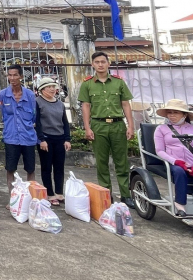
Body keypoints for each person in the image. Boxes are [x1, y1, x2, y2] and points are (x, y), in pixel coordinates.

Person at [79, 51, 136, 208]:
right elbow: (86, 106)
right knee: (102, 162)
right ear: (93, 65)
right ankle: (106, 195)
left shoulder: (119, 82)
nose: (100, 64)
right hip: (98, 126)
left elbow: (125, 104)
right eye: (97, 62)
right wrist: (87, 128)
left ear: (108, 63)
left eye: (103, 61)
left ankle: (126, 195)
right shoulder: (87, 84)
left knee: (121, 162)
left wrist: (130, 126)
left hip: (118, 125)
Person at [154, 99, 193, 218]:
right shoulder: (161, 129)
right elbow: (159, 151)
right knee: (179, 172)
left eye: (176, 112)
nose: (172, 115)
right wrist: (176, 161)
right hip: (174, 163)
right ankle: (180, 205)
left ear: (184, 115)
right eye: (169, 112)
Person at [0, 64, 38, 196]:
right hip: (11, 138)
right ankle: (13, 199)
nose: (12, 78)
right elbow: (4, 114)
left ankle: (30, 197)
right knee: (10, 169)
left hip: (28, 138)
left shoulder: (30, 95)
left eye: (15, 75)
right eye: (10, 75)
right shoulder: (3, 95)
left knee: (30, 169)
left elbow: (34, 116)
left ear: (21, 76)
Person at [34, 77, 71, 206]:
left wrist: (67, 139)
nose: (51, 89)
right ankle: (50, 194)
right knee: (46, 167)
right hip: (46, 139)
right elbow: (37, 122)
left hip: (59, 138)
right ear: (42, 89)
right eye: (48, 87)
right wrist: (41, 139)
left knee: (59, 167)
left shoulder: (60, 104)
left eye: (53, 86)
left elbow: (65, 122)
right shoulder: (37, 102)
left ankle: (59, 193)